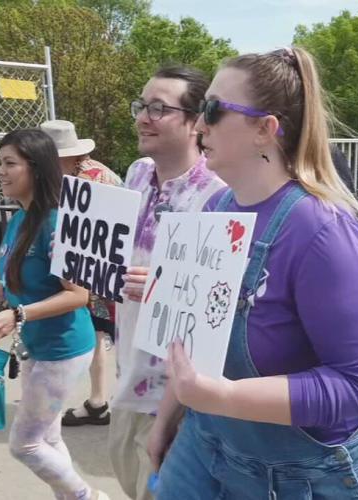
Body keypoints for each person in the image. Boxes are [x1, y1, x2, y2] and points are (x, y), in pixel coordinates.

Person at [147, 47, 358, 499]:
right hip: (209, 444)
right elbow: (194, 343)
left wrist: (222, 398)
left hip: (311, 475)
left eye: (213, 109)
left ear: (265, 130)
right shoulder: (213, 210)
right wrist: (168, 419)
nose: (200, 123)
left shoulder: (323, 233)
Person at [107, 66, 225, 500]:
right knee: (125, 478)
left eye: (160, 108)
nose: (143, 117)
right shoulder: (137, 172)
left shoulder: (218, 194)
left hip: (175, 393)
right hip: (127, 371)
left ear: (196, 122)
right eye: (141, 105)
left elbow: (219, 304)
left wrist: (163, 287)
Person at [0, 129, 105, 499]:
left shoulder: (56, 223)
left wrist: (17, 315)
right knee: (48, 437)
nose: (1, 172)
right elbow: (9, 284)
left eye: (10, 163)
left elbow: (78, 295)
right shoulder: (19, 219)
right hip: (36, 345)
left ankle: (89, 497)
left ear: (35, 169)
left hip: (63, 348)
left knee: (25, 444)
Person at [40, 119, 122, 427]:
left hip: (105, 271)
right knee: (98, 331)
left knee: (105, 330)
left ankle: (110, 400)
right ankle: (99, 400)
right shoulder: (64, 177)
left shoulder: (94, 180)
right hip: (88, 270)